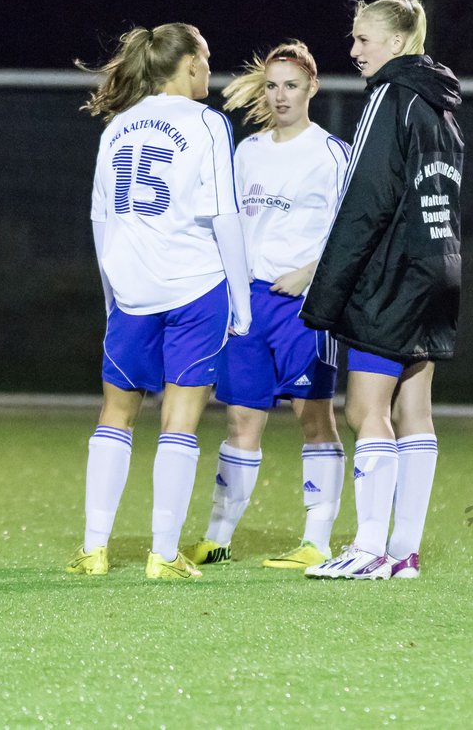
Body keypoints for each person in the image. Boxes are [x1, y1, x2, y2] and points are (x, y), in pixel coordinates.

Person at [66, 22, 252, 580]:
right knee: (180, 420)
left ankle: (94, 549)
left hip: (131, 291)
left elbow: (101, 220)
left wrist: (110, 295)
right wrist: (240, 303)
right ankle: (162, 554)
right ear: (189, 64)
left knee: (115, 415)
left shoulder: (117, 125)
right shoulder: (208, 123)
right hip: (195, 287)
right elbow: (225, 215)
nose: (211, 72)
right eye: (208, 60)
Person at [299, 0, 464, 581]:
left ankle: (368, 548)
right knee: (414, 410)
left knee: (365, 408)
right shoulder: (441, 105)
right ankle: (403, 552)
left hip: (392, 276)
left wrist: (326, 294)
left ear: (397, 43)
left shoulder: (391, 95)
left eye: (363, 40)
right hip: (439, 270)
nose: (354, 51)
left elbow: (364, 202)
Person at [179, 41, 350, 571]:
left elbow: (353, 231)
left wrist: (311, 275)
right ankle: (218, 537)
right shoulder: (247, 151)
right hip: (247, 303)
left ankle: (316, 542)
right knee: (240, 423)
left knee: (314, 419)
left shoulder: (331, 154)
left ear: (312, 89)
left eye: (291, 86)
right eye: (272, 85)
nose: (280, 96)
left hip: (303, 306)